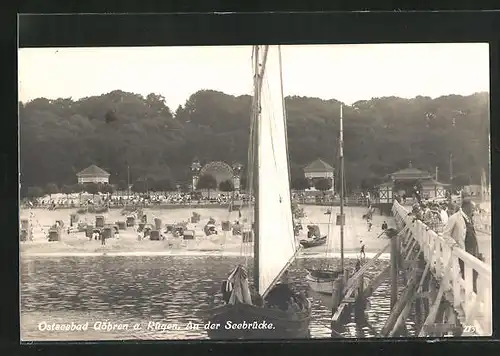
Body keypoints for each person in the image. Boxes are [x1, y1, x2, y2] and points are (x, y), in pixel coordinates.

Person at [442, 199, 480, 292]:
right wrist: (454, 245)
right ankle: (469, 293)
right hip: (464, 250)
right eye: (472, 208)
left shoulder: (470, 217)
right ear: (466, 207)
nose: (474, 210)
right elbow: (445, 234)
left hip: (473, 250)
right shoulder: (454, 218)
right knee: (467, 273)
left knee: (475, 273)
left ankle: (473, 293)